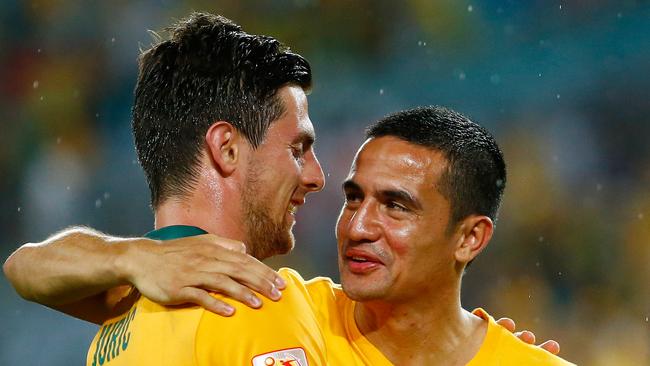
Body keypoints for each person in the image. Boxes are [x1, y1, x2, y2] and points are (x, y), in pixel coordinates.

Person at [3, 12, 567, 365]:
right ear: (226, 149)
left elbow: (25, 267)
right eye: (298, 147)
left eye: (394, 204)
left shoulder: (126, 307)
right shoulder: (253, 306)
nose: (317, 177)